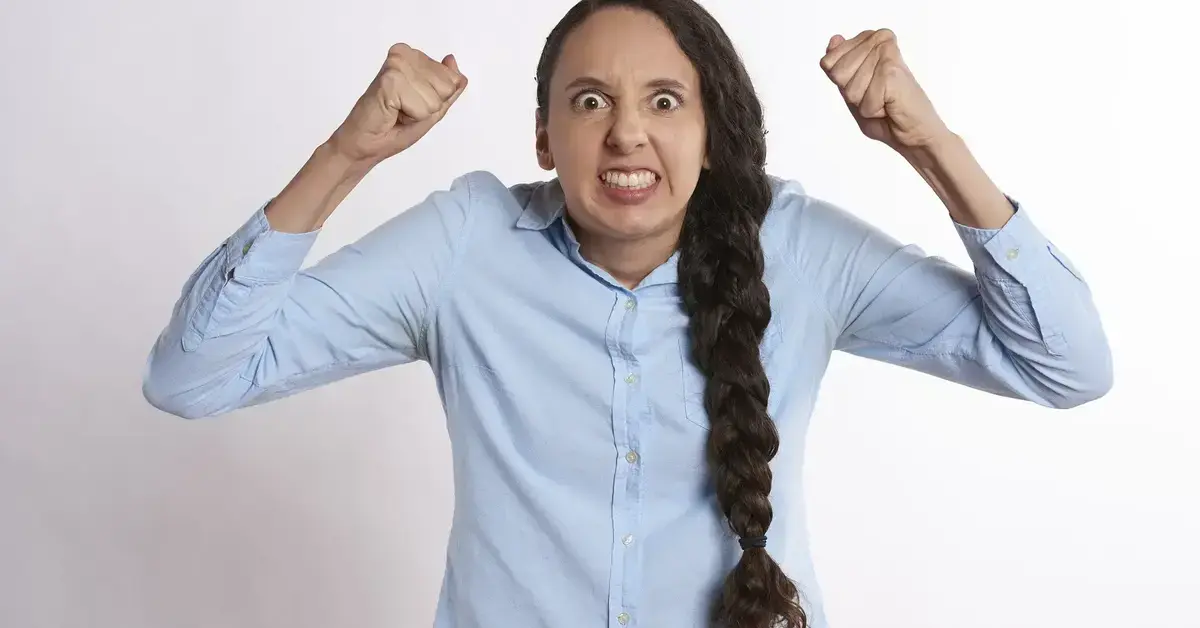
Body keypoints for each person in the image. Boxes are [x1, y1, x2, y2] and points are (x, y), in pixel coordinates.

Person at [141, 0, 1112, 626]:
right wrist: (346, 155)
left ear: (711, 130)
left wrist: (931, 144)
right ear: (543, 135)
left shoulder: (800, 249)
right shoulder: (465, 245)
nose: (627, 134)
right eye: (591, 101)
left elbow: (1065, 365)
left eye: (664, 101)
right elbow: (193, 376)